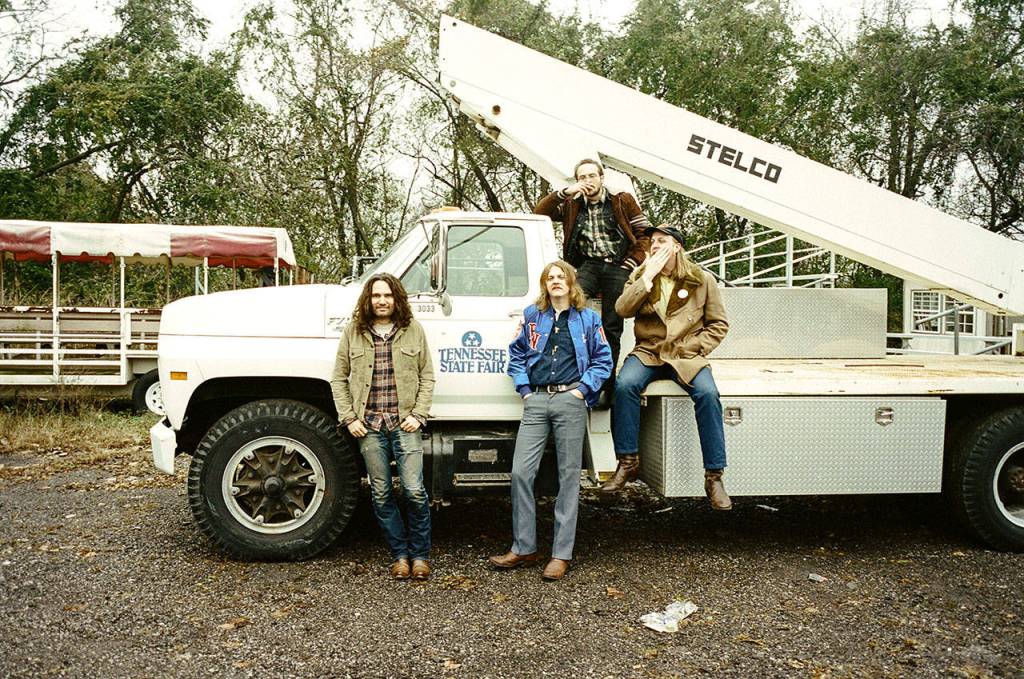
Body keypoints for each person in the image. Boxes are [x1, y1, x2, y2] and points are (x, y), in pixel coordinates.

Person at [489, 261, 613, 581]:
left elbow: (603, 359)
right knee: (520, 472)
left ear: (571, 284)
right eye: (550, 278)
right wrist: (526, 390)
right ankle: (524, 547)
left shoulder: (588, 319)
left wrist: (583, 391)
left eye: (561, 277)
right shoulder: (534, 316)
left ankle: (561, 554)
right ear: (545, 285)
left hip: (570, 399)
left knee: (568, 477)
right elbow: (516, 353)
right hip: (537, 400)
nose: (555, 282)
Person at [601, 225, 732, 510]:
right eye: (652, 242)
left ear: (677, 247)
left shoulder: (701, 279)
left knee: (708, 395)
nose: (655, 246)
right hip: (649, 351)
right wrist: (645, 277)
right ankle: (627, 462)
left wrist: (694, 347)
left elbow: (718, 325)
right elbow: (622, 310)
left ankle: (714, 476)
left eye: (662, 241)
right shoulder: (640, 275)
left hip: (685, 353)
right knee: (624, 385)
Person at [331, 273, 436, 579]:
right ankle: (400, 555)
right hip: (370, 427)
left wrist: (418, 414)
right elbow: (339, 378)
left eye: (387, 295)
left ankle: (420, 556)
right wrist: (349, 418)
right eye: (376, 295)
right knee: (381, 493)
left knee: (415, 491)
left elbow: (427, 375)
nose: (382, 301)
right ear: (368, 299)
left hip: (406, 424)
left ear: (396, 299)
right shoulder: (355, 331)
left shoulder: (413, 330)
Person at [534, 159, 651, 402]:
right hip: (587, 266)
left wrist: (631, 263)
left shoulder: (622, 200)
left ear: (601, 178)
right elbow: (540, 213)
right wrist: (565, 192)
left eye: (591, 176)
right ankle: (569, 374)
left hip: (618, 264)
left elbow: (645, 234)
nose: (588, 181)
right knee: (565, 306)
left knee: (612, 325)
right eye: (582, 177)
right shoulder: (571, 204)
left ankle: (606, 386)